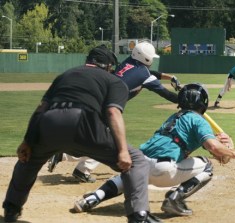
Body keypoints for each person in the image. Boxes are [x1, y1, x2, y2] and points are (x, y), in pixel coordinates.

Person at [2, 46, 162, 223]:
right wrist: (122, 150)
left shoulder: (64, 76)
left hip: (49, 123)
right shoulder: (114, 81)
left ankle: (11, 209)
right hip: (84, 124)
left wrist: (27, 142)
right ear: (109, 66)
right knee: (137, 161)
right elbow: (112, 113)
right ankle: (138, 216)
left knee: (28, 160)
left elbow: (41, 109)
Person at [73, 83, 235, 216]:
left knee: (125, 177)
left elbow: (215, 148)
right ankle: (174, 199)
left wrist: (220, 144)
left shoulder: (173, 118)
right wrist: (232, 151)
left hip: (138, 162)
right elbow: (216, 151)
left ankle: (94, 197)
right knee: (207, 166)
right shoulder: (199, 121)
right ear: (203, 103)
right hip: (164, 171)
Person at [47, 41, 182, 182]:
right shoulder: (144, 74)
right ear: (146, 58)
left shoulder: (128, 63)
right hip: (108, 107)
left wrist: (169, 77)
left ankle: (70, 161)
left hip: (100, 101)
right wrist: (183, 100)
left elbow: (148, 73)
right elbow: (164, 93)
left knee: (99, 140)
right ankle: (77, 166)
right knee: (109, 142)